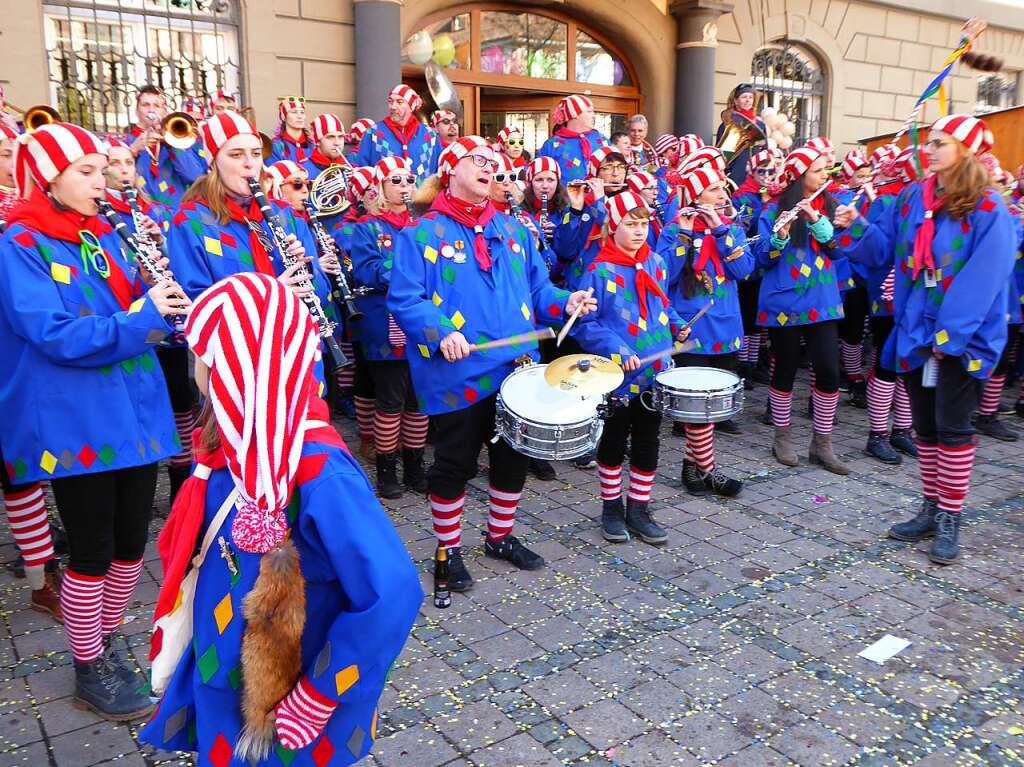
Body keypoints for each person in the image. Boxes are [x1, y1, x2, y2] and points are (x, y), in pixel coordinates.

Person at [140, 272, 421, 766]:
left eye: (203, 355)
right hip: (222, 667)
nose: (194, 369)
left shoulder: (317, 469)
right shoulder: (229, 448)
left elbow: (393, 589)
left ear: (238, 364)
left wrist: (321, 691)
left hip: (290, 694)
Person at [0, 122, 190, 719]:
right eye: (84, 171)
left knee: (132, 545)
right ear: (47, 179)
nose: (99, 181)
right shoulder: (20, 246)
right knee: (90, 550)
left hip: (134, 412)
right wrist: (141, 320)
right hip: (75, 421)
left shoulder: (105, 234)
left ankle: (103, 641)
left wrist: (165, 294)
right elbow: (51, 334)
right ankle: (88, 664)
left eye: (99, 169)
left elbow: (142, 303)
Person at [388, 136, 595, 592]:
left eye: (495, 163)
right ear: (450, 169)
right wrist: (442, 331)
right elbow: (404, 298)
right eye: (477, 160)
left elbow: (540, 291)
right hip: (458, 372)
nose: (490, 168)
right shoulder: (418, 233)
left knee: (512, 459)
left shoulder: (515, 230)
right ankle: (448, 550)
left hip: (517, 369)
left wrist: (568, 300)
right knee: (454, 465)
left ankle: (499, 538)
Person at [839, 114, 1016, 564]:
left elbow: (985, 280)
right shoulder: (915, 197)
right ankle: (931, 506)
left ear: (967, 150)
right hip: (916, 332)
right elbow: (886, 254)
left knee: (954, 430)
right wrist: (855, 224)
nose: (929, 150)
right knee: (927, 429)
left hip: (962, 338)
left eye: (940, 143)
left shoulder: (991, 209)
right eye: (929, 142)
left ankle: (950, 516)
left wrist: (949, 336)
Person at [165, 112, 337, 392]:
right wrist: (270, 295)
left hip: (296, 354)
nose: (250, 164)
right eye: (236, 154)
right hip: (238, 370)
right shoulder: (190, 222)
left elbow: (319, 292)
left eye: (256, 153)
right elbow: (195, 310)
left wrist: (308, 270)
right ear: (213, 161)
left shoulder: (285, 215)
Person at [572, 192, 689, 544]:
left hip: (654, 370)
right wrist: (616, 348)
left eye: (643, 224)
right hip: (616, 375)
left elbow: (662, 305)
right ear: (613, 226)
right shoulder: (597, 270)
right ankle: (611, 507)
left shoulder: (655, 262)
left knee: (648, 440)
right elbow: (585, 325)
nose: (639, 231)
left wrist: (677, 325)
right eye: (630, 224)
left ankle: (639, 507)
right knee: (612, 440)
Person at [756, 144, 875, 475]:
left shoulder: (833, 206)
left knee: (828, 370)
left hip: (821, 301)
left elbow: (838, 253)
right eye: (819, 170)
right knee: (785, 370)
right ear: (799, 177)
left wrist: (818, 222)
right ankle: (782, 438)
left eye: (827, 170)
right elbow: (763, 260)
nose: (827, 175)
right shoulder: (771, 211)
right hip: (784, 302)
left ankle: (822, 444)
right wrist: (779, 236)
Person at [103, 139, 197, 502]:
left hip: (165, 324)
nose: (124, 168)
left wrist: (162, 242)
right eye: (115, 162)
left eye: (129, 161)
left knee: (179, 399)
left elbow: (178, 262)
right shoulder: (99, 216)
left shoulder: (155, 211)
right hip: (127, 318)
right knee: (134, 397)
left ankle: (180, 484)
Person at [0, 121, 62, 621]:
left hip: (16, 350)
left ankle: (42, 575)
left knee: (20, 471)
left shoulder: (25, 217)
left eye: (6, 152)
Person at [659, 164, 753, 491]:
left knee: (710, 406)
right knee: (697, 403)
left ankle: (690, 466)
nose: (722, 195)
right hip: (691, 328)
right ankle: (710, 470)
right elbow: (663, 278)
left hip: (725, 326)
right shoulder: (673, 230)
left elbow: (744, 270)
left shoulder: (732, 229)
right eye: (714, 189)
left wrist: (722, 233)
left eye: (722, 189)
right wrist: (684, 235)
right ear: (696, 196)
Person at [349, 157, 428, 498]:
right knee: (391, 401)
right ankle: (387, 470)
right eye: (395, 180)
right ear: (380, 187)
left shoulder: (424, 223)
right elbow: (365, 270)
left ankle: (415, 466)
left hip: (420, 322)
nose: (404, 185)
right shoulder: (366, 227)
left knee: (418, 400)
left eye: (409, 179)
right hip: (385, 323)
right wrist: (407, 264)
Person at [126, 85, 206, 207]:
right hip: (144, 213)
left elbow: (194, 177)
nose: (151, 110)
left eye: (157, 106)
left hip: (175, 213)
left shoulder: (178, 140)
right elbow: (118, 179)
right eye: (145, 105)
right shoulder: (126, 142)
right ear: (137, 111)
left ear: (164, 111)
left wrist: (173, 145)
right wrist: (133, 150)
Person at [354, 84, 442, 183]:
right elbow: (362, 169)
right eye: (390, 101)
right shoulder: (374, 133)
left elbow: (438, 173)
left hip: (421, 197)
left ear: (411, 106)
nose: (393, 107)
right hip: (384, 198)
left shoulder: (429, 135)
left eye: (399, 102)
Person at [538, 95, 605, 184]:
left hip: (599, 196)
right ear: (575, 115)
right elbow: (539, 174)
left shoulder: (601, 140)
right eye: (589, 111)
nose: (594, 115)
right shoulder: (552, 144)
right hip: (565, 197)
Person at [716, 84, 765, 185]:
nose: (748, 100)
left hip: (755, 178)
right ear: (736, 101)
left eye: (750, 97)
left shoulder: (760, 124)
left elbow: (764, 151)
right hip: (735, 177)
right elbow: (722, 155)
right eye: (744, 97)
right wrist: (730, 172)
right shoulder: (727, 124)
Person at [305, 113, 351, 182]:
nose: (337, 143)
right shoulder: (304, 170)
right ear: (317, 141)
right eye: (330, 137)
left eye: (340, 137)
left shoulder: (349, 168)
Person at [268, 96, 314, 165]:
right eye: (294, 112)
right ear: (284, 117)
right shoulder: (275, 146)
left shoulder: (313, 145)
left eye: (302, 112)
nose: (299, 116)